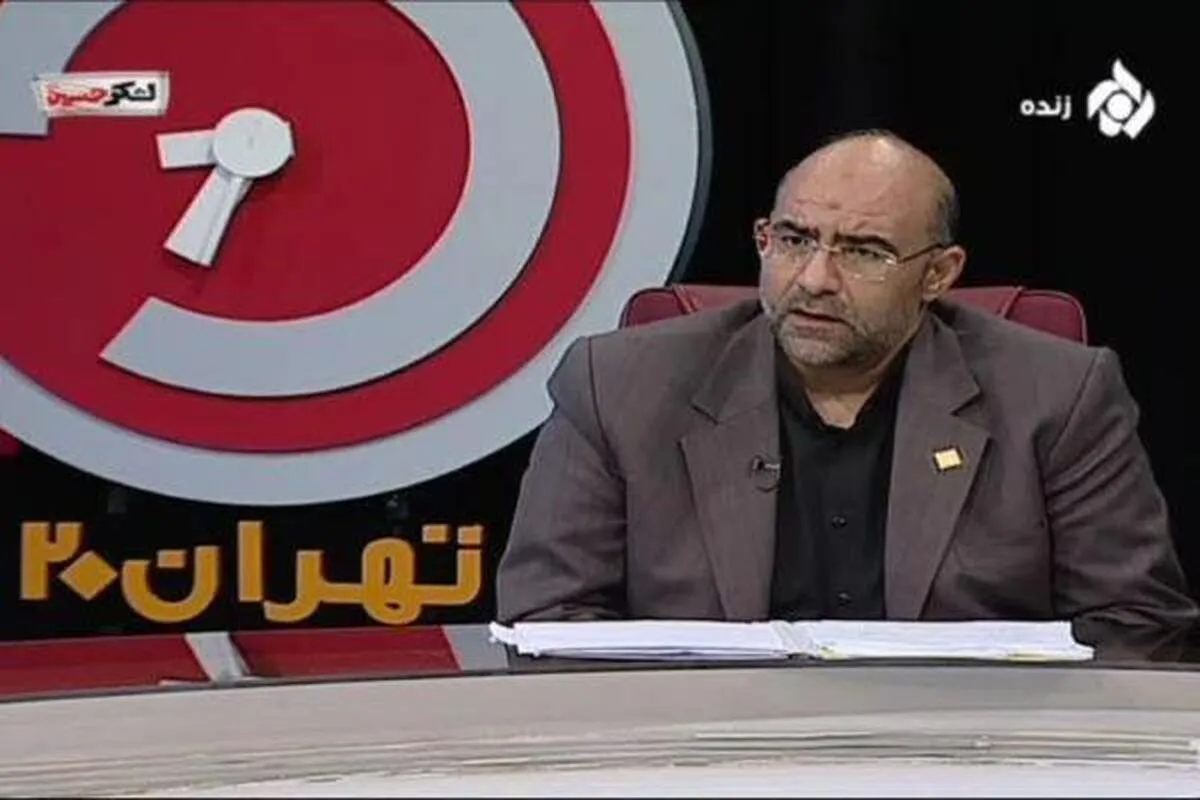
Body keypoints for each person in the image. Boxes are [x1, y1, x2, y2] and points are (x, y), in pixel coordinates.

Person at [494, 129, 1198, 661]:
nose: (814, 279)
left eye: (864, 251)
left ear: (939, 274)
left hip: (965, 757)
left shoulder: (1058, 395)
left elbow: (1135, 626)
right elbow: (548, 620)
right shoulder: (616, 386)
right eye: (794, 239)